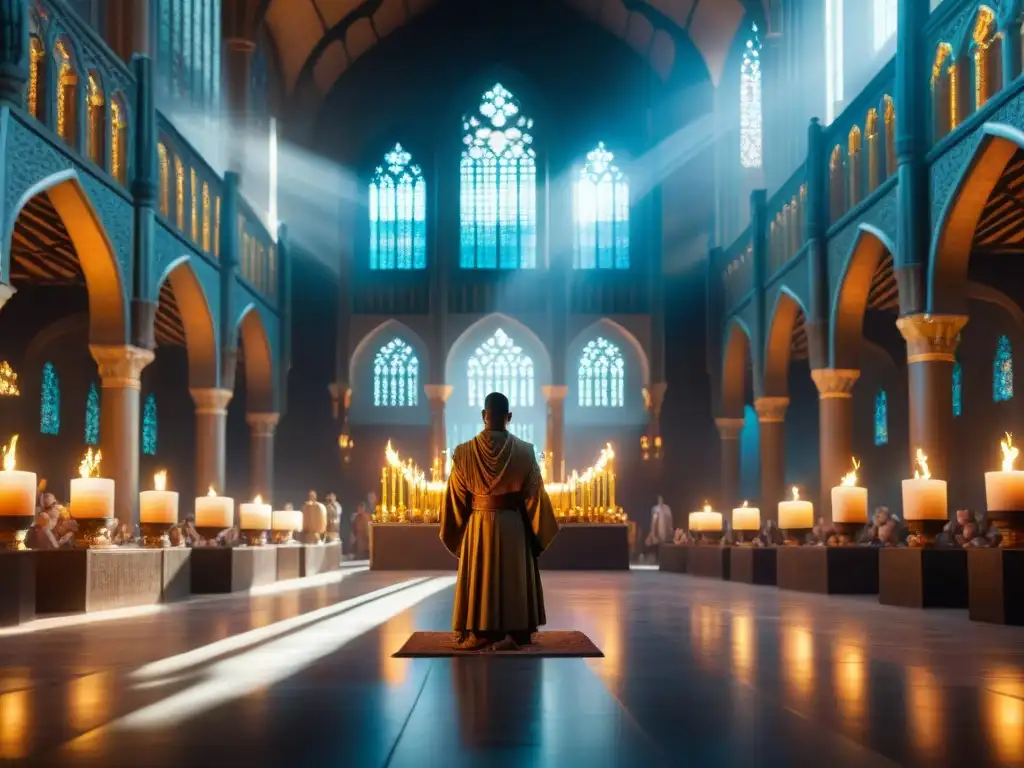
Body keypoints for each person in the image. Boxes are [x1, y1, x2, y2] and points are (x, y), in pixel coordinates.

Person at [439, 391, 559, 651]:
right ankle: (515, 632)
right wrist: (536, 534)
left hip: (478, 527)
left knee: (480, 575)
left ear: (484, 415)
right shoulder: (525, 452)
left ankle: (480, 630)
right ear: (509, 417)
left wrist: (459, 532)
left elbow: (455, 500)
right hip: (513, 528)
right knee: (513, 576)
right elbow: (535, 498)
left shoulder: (463, 453)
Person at [644, 495, 673, 560]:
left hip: (665, 528)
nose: (660, 500)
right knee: (657, 543)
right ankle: (657, 558)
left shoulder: (667, 508)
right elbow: (653, 520)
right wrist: (652, 531)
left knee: (665, 543)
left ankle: (663, 558)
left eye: (661, 499)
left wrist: (670, 527)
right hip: (657, 528)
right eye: (659, 499)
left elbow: (670, 519)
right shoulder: (655, 508)